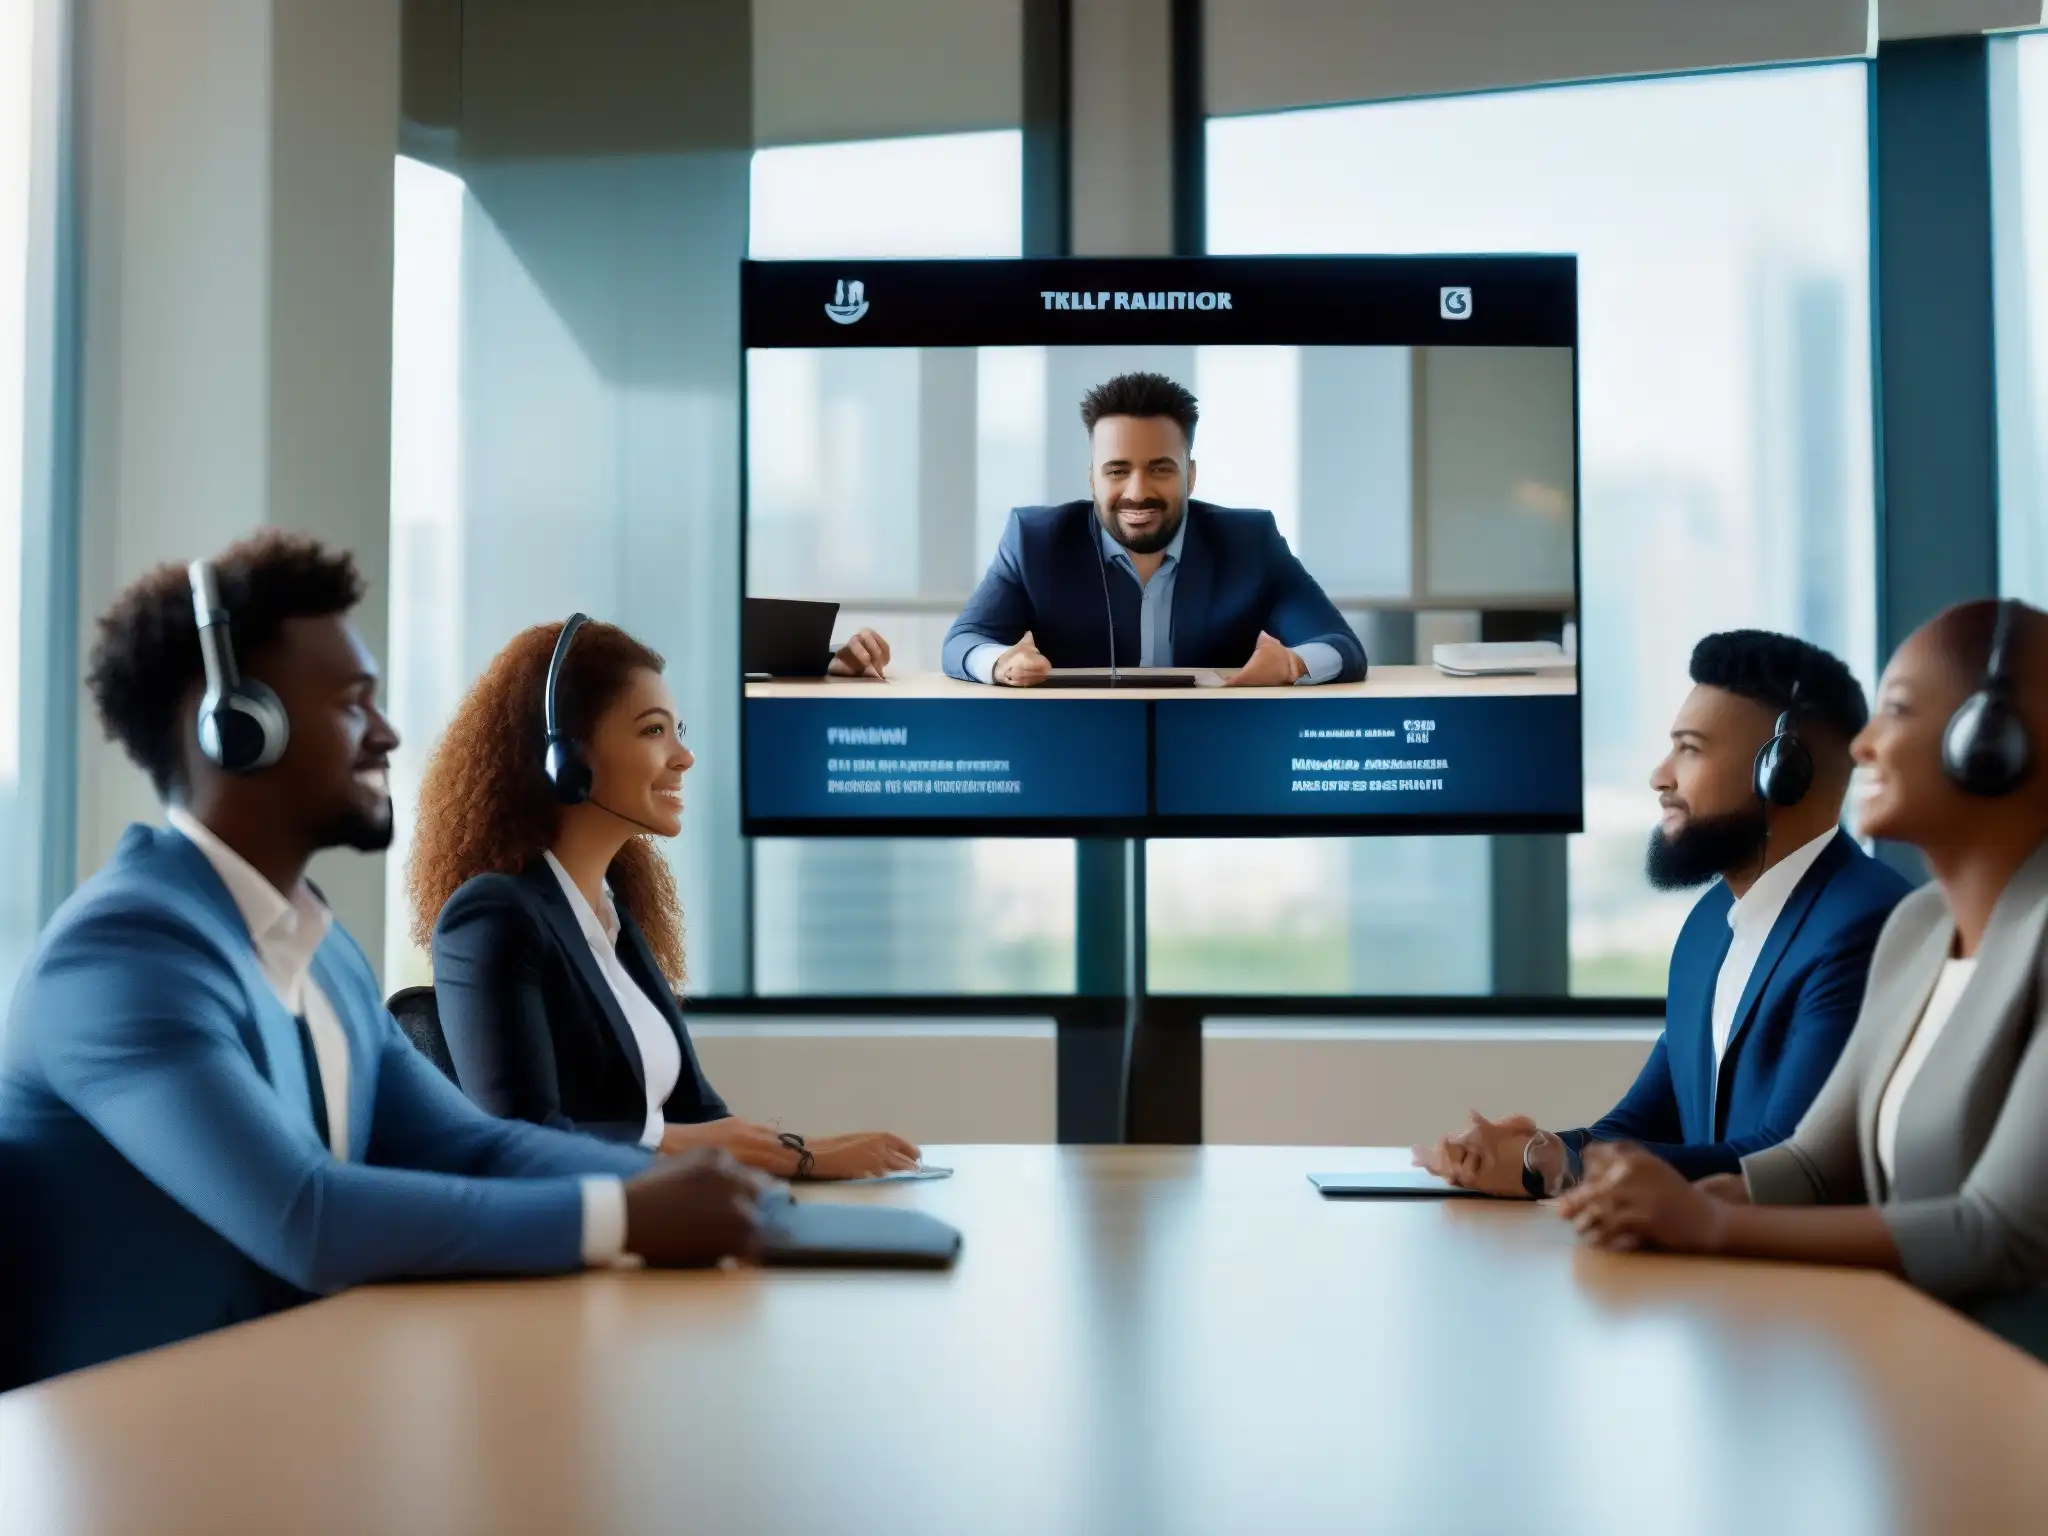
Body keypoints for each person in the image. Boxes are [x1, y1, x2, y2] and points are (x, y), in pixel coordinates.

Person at [0, 533, 764, 1389]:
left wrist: (730, 1198)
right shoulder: (122, 958)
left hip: (288, 1420)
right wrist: (620, 1213)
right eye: (353, 703)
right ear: (236, 728)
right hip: (135, 1468)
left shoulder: (323, 959)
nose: (387, 732)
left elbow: (479, 1150)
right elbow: (306, 1214)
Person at [1558, 600, 2048, 1347]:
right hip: (1906, 1356)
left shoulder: (1910, 924)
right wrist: (1647, 1193)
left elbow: (1998, 1232)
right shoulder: (1917, 930)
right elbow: (1814, 1163)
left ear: (1990, 743)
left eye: (1900, 712)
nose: (1864, 747)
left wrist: (1713, 1223)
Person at [411, 616, 921, 1180]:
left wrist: (810, 1152)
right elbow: (519, 1141)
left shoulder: (613, 923)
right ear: (568, 759)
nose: (684, 756)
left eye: (679, 730)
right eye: (654, 731)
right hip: (568, 1248)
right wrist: (760, 1153)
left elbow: (699, 1117)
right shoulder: (493, 917)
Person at [1415, 631, 1911, 1195]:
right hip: (1713, 1268)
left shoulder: (1863, 925)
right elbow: (1637, 1127)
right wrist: (1533, 1153)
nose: (1660, 775)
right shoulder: (1710, 924)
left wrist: (1561, 1165)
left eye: (1690, 748)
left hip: (1812, 1275)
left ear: (1782, 770)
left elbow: (1788, 1161)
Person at [941, 371, 1366, 687]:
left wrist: (1293, 665)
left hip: (1211, 745)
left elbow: (1341, 646)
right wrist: (1001, 664)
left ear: (1190, 476)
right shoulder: (1035, 540)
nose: (1137, 492)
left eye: (1160, 469)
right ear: (1093, 480)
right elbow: (963, 641)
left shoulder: (1250, 541)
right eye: (1117, 471)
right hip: (1077, 744)